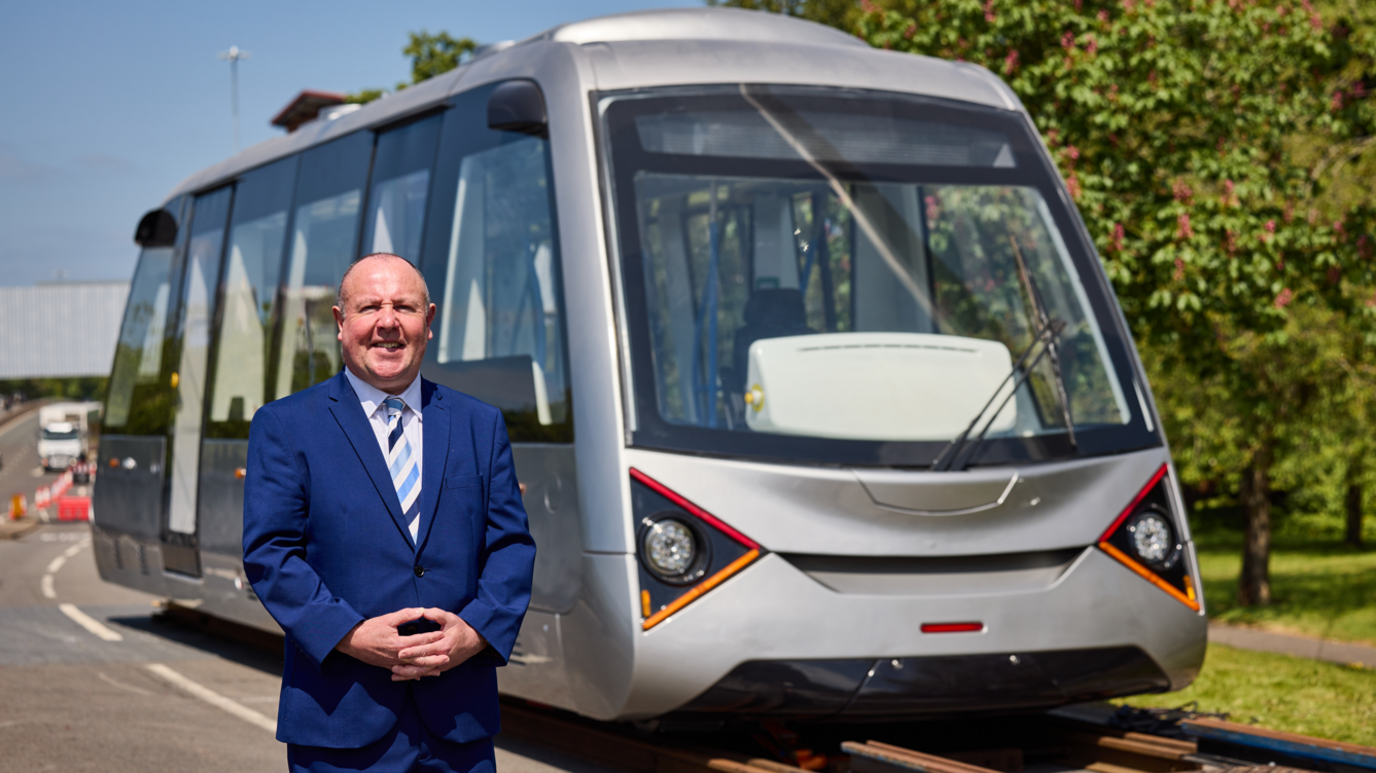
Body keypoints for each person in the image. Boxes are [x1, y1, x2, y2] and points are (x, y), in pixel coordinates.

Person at [243, 252, 536, 772]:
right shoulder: (285, 426)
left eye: (404, 306)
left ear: (429, 321)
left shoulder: (481, 424)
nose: (387, 323)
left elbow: (511, 546)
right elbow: (271, 555)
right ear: (340, 323)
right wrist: (350, 635)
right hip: (341, 722)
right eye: (369, 307)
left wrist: (475, 633)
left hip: (459, 725)